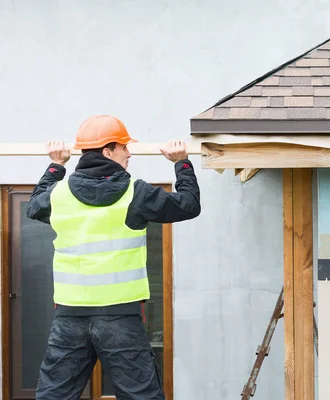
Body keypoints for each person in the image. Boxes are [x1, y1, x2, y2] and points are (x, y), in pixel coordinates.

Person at [26, 114, 201, 400]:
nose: (130, 153)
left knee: (54, 395)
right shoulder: (137, 193)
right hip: (120, 318)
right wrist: (181, 163)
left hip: (71, 317)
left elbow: (34, 205)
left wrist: (56, 166)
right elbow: (188, 206)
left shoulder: (59, 196)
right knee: (140, 396)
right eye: (124, 147)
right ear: (108, 151)